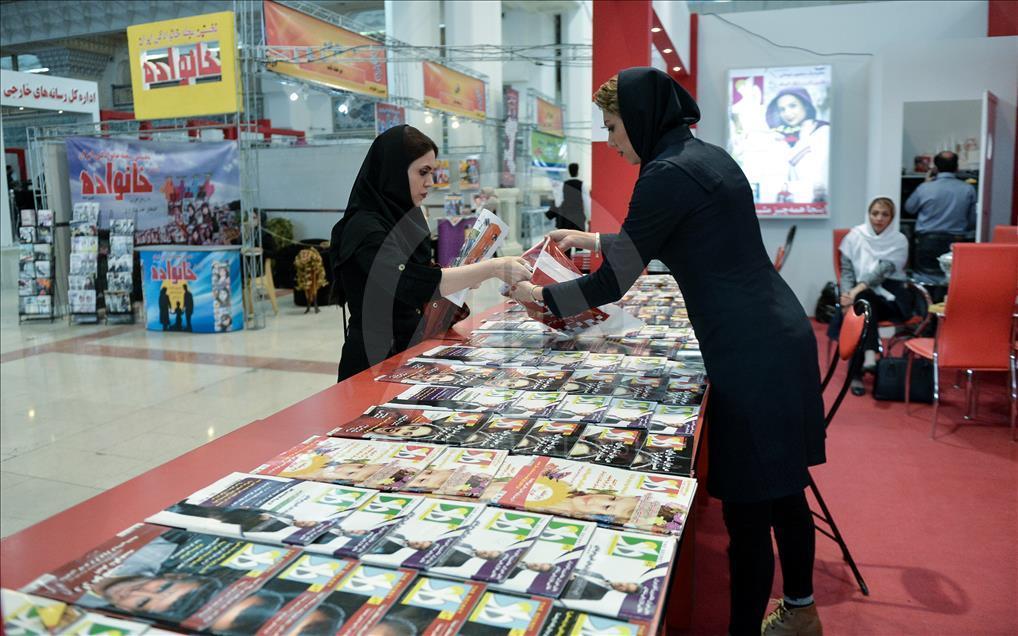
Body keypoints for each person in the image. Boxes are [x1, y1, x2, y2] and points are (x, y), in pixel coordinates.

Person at [507, 68, 825, 636]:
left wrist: (542, 297)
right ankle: (801, 610)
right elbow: (685, 233)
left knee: (749, 510)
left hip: (748, 350)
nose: (610, 140)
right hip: (778, 331)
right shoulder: (703, 157)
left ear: (640, 117)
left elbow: (612, 284)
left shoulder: (664, 174)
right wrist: (597, 240)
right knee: (784, 486)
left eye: (612, 126)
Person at [329, 125, 531, 382]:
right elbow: (409, 283)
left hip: (412, 351)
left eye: (432, 172)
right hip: (375, 361)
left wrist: (465, 276)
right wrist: (492, 268)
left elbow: (424, 278)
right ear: (393, 171)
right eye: (422, 172)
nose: (430, 182)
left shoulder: (406, 217)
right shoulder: (365, 228)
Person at [831, 197, 911, 396]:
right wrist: (846, 296)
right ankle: (869, 355)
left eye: (885, 214)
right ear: (869, 214)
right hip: (861, 297)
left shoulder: (899, 240)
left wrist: (854, 293)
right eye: (875, 213)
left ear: (892, 217)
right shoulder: (854, 236)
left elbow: (881, 273)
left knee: (863, 303)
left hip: (891, 296)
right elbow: (847, 271)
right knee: (865, 307)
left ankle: (856, 374)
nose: (879, 218)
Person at [904, 150, 976, 277]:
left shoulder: (924, 188)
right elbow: (972, 221)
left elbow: (910, 209)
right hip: (956, 243)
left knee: (926, 279)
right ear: (957, 167)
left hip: (927, 241)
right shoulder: (968, 189)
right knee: (953, 279)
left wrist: (925, 183)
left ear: (936, 168)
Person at [766, 88, 830, 202]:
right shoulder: (778, 137)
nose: (787, 113)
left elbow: (816, 173)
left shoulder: (824, 131)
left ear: (805, 106)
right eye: (782, 109)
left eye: (792, 106)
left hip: (816, 201)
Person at [545, 162, 587, 231]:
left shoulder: (563, 185)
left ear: (569, 171)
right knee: (579, 238)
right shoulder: (582, 185)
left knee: (566, 238)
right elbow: (586, 203)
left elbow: (558, 203)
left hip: (566, 217)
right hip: (578, 216)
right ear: (578, 171)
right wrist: (588, 218)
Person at [294, 247, 327, 314]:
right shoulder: (302, 255)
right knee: (308, 291)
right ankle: (310, 306)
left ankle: (314, 306)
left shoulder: (313, 255)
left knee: (314, 290)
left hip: (313, 275)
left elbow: (317, 262)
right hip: (306, 276)